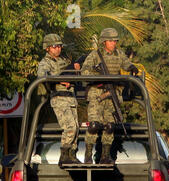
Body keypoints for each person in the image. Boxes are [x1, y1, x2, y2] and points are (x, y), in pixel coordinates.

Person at [81, 28, 139, 164]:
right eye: (111, 41)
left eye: (115, 41)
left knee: (109, 126)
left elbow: (126, 63)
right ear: (104, 41)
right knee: (94, 125)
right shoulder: (95, 55)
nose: (114, 43)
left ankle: (105, 156)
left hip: (112, 93)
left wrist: (131, 68)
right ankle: (88, 154)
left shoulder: (119, 54)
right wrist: (99, 78)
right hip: (96, 92)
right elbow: (85, 71)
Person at [37, 34, 82, 166]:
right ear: (47, 48)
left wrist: (76, 70)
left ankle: (72, 155)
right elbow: (43, 75)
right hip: (59, 98)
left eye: (60, 46)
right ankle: (64, 156)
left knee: (76, 128)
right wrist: (60, 80)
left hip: (70, 97)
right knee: (70, 127)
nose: (58, 49)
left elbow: (73, 75)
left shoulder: (64, 61)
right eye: (55, 46)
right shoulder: (45, 63)